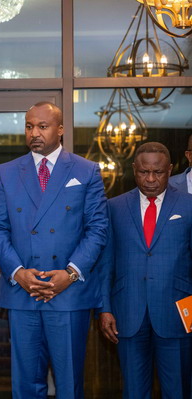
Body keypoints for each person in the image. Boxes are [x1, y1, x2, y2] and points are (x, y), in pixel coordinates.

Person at [0, 102, 108, 399]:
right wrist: (18, 272)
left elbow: (97, 228)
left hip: (68, 294)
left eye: (42, 126)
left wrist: (70, 273)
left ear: (61, 129)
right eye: (29, 126)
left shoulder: (86, 170)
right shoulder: (6, 172)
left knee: (69, 384)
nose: (34, 133)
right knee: (25, 386)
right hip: (22, 292)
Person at [98, 142, 192, 398]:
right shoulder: (114, 207)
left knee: (177, 390)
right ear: (134, 170)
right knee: (134, 391)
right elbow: (106, 263)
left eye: (158, 172)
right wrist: (105, 308)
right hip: (128, 312)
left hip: (177, 313)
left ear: (170, 170)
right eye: (143, 172)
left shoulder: (188, 205)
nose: (150, 179)